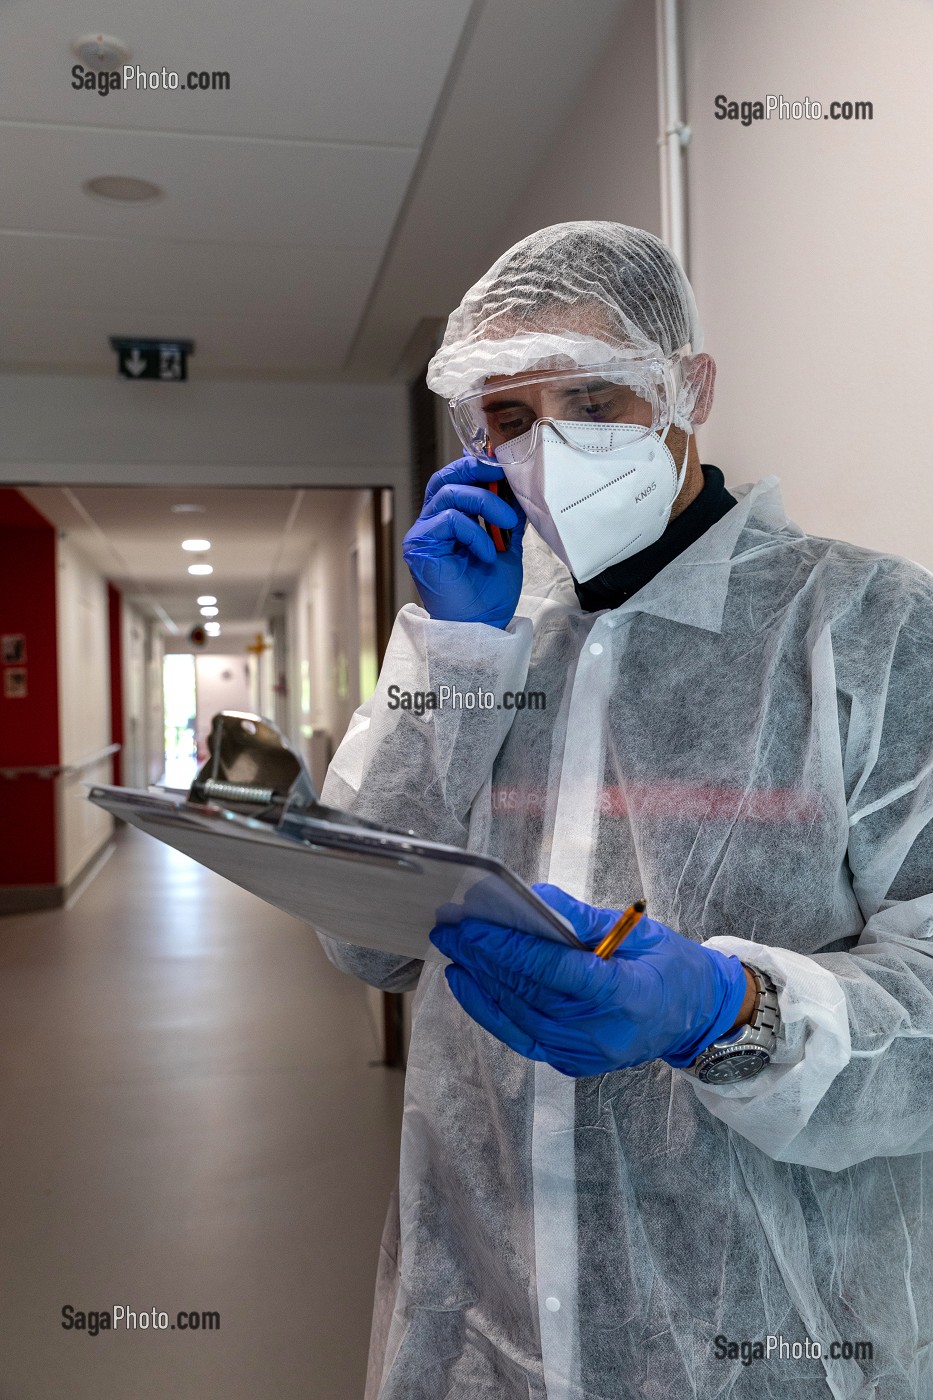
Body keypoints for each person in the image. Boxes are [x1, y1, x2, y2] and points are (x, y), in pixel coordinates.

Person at [315, 222, 933, 1399]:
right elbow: (362, 935)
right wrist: (450, 650)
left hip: (773, 1340)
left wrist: (726, 1010)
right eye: (507, 417)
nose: (547, 447)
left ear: (687, 390)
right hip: (487, 1331)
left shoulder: (869, 629)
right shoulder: (480, 634)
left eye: (592, 397)